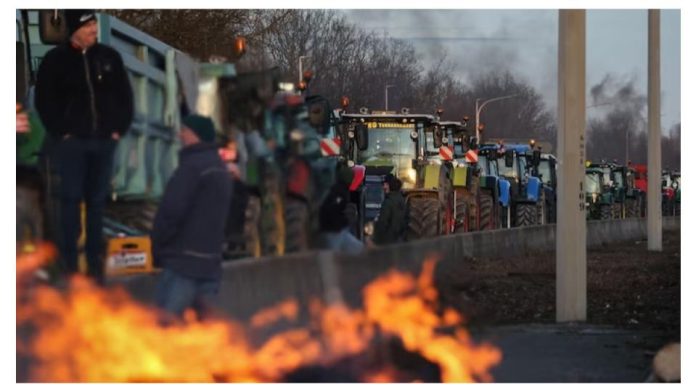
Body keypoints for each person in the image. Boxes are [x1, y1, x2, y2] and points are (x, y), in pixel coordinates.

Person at [35, 10, 133, 283]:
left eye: (94, 24)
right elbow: (45, 101)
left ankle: (94, 267)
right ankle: (70, 268)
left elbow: (125, 97)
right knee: (70, 202)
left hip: (103, 143)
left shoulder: (108, 58)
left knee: (96, 205)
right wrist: (61, 133)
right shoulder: (55, 61)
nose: (94, 29)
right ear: (74, 28)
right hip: (72, 145)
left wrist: (117, 131)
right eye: (88, 24)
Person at [152, 115, 232, 319]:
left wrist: (158, 246)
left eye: (185, 131)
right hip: (210, 266)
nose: (181, 135)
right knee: (202, 336)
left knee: (163, 331)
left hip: (183, 265)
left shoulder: (192, 168)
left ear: (196, 136)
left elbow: (171, 211)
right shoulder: (221, 170)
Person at [318, 166, 364, 255]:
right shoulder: (339, 192)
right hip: (333, 231)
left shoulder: (340, 190)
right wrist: (342, 222)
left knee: (358, 248)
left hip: (338, 230)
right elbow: (332, 210)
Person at [372, 173, 406, 245]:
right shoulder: (402, 200)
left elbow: (382, 222)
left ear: (389, 185)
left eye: (385, 184)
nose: (383, 187)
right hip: (400, 241)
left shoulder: (388, 202)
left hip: (387, 242)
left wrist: (376, 239)